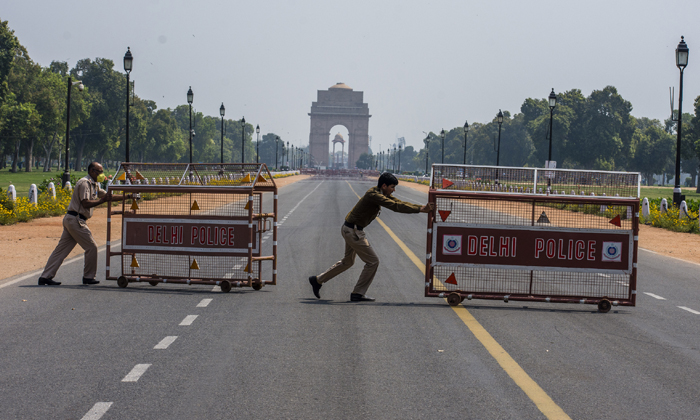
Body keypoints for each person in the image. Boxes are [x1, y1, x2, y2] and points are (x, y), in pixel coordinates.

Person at [309, 172, 434, 302]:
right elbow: (395, 206)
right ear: (384, 186)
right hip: (353, 231)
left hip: (351, 229)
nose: (394, 190)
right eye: (392, 187)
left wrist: (421, 207)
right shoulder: (374, 195)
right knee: (373, 261)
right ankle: (358, 293)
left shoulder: (380, 193)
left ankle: (317, 280)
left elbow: (398, 202)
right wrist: (421, 209)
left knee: (348, 262)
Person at [38, 162, 128, 286]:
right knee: (91, 247)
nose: (102, 174)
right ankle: (88, 277)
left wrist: (127, 196)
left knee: (61, 251)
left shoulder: (94, 184)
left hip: (72, 219)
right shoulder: (84, 183)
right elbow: (85, 203)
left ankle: (45, 276)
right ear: (92, 171)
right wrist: (101, 201)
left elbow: (108, 196)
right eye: (99, 171)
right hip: (76, 219)